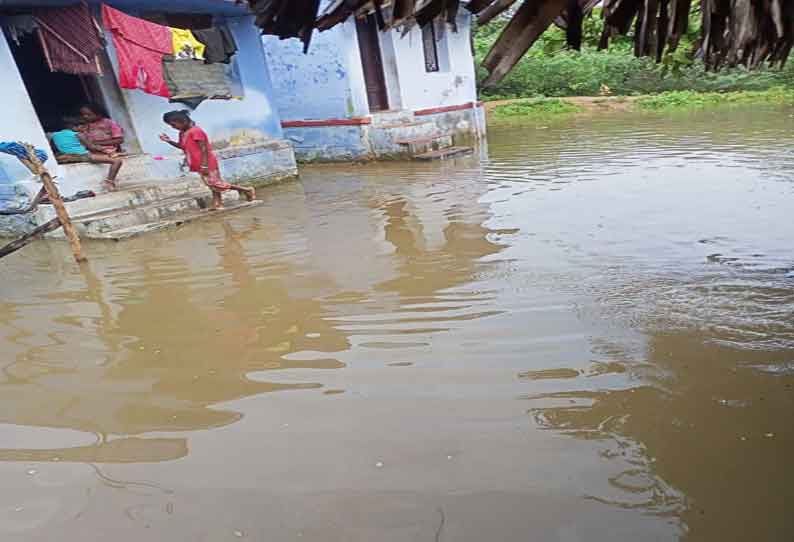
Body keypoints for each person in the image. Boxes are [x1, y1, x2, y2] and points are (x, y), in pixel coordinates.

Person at [159, 110, 255, 210]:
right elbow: (182, 147)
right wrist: (168, 141)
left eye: (173, 124)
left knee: (215, 183)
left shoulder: (196, 131)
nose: (173, 127)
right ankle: (217, 204)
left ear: (182, 121)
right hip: (198, 163)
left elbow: (203, 149)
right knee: (212, 184)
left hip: (207, 162)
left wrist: (204, 165)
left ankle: (246, 190)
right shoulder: (182, 133)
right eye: (171, 126)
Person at [52, 117, 123, 191]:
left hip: (65, 157)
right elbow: (92, 147)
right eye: (82, 127)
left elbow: (53, 148)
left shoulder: (54, 136)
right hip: (82, 156)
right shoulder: (77, 134)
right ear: (74, 127)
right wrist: (106, 150)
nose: (83, 129)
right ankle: (109, 182)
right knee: (117, 161)